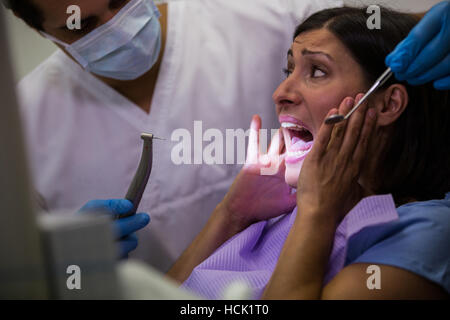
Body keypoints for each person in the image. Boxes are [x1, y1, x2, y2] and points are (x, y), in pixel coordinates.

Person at [3, 0, 343, 271]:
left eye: (121, 1)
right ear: (42, 31)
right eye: (83, 25)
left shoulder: (275, 17)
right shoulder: (20, 131)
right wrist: (57, 265)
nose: (119, 30)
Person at [165, 6, 450, 299]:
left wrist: (316, 210)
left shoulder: (427, 233)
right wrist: (231, 213)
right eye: (289, 70)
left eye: (316, 71)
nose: (280, 93)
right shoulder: (282, 207)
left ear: (388, 105)